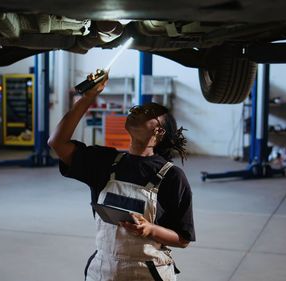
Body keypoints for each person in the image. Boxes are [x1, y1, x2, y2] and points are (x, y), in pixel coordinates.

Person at [48, 75, 195, 281]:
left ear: (159, 131)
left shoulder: (172, 176)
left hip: (147, 273)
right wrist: (89, 96)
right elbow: (57, 142)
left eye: (147, 112)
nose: (136, 111)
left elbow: (182, 239)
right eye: (135, 108)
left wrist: (150, 229)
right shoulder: (105, 161)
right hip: (102, 271)